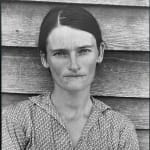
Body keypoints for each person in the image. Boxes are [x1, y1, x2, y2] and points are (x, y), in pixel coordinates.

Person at [2, 5, 139, 150]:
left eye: (84, 51)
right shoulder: (17, 119)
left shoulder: (120, 129)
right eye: (60, 53)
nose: (74, 65)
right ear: (44, 58)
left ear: (100, 52)